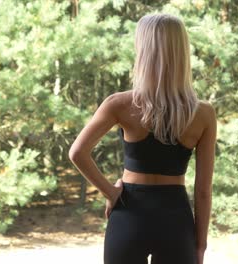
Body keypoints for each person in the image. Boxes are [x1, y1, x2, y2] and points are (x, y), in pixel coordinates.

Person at [68, 13, 217, 264]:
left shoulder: (120, 104)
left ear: (143, 50)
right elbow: (203, 191)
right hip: (175, 219)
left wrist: (110, 193)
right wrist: (200, 244)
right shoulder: (203, 113)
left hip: (129, 212)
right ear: (182, 52)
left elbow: (77, 153)